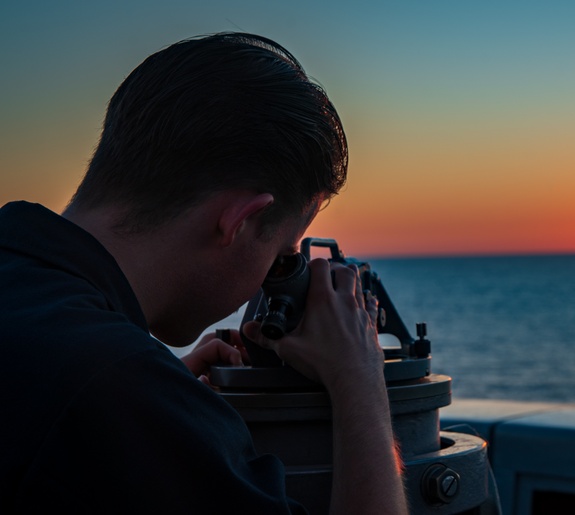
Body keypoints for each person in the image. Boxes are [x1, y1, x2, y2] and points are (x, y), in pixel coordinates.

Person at [0, 33, 407, 514]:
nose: (266, 280)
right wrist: (360, 380)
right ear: (240, 221)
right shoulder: (118, 392)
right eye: (280, 255)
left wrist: (162, 398)